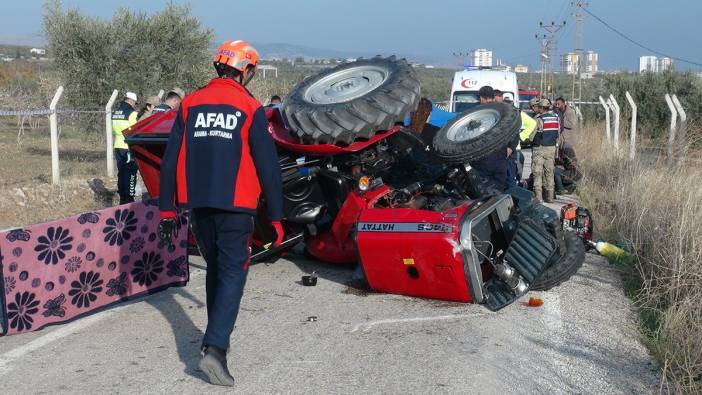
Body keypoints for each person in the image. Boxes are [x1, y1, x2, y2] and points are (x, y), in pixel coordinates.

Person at [157, 40, 284, 387]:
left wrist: (167, 209)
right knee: (232, 275)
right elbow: (268, 167)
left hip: (198, 206)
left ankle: (212, 340)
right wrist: (276, 216)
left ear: (219, 66)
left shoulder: (190, 104)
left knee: (217, 271)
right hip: (237, 208)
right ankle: (215, 349)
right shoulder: (249, 106)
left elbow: (169, 161)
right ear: (247, 70)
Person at [470, 86, 513, 190]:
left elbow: (470, 134)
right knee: (499, 191)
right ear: (493, 96)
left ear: (481, 98)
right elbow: (513, 130)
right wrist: (511, 147)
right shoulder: (503, 110)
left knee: (483, 192)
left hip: (483, 158)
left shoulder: (476, 112)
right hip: (501, 157)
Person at [528, 98, 560, 203]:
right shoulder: (556, 118)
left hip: (540, 149)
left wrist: (530, 139)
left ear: (541, 108)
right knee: (549, 173)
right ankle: (550, 197)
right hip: (551, 148)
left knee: (537, 173)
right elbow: (558, 134)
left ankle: (539, 197)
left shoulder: (539, 119)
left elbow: (532, 136)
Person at [111, 91, 139, 204]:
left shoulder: (116, 112)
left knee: (121, 172)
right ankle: (130, 198)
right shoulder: (132, 113)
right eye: (135, 103)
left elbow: (114, 130)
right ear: (131, 101)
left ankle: (122, 198)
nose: (134, 105)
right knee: (131, 173)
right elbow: (135, 130)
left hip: (117, 145)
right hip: (128, 146)